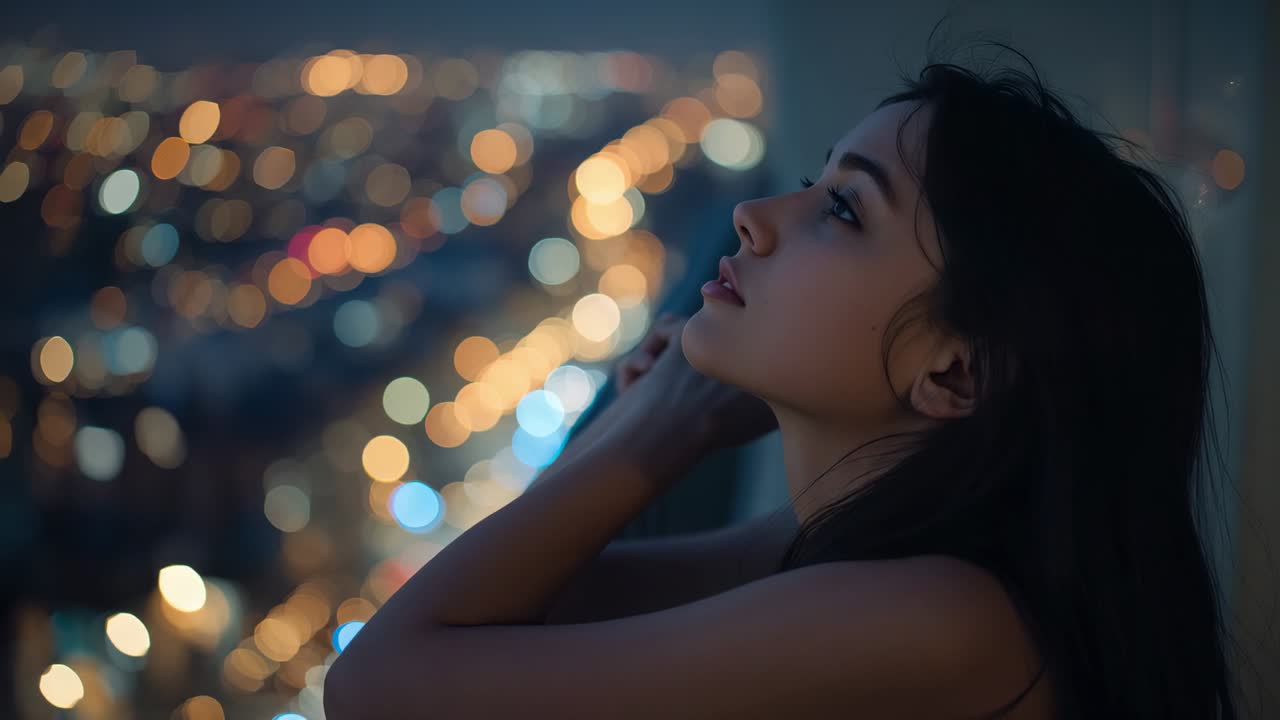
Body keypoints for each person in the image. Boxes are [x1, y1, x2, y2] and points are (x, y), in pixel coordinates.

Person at [323, 37, 1241, 720]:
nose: (757, 215)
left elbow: (374, 689)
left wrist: (656, 436)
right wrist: (628, 432)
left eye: (842, 208)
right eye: (815, 181)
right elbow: (517, 609)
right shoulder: (837, 553)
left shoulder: (940, 618)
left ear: (956, 371)